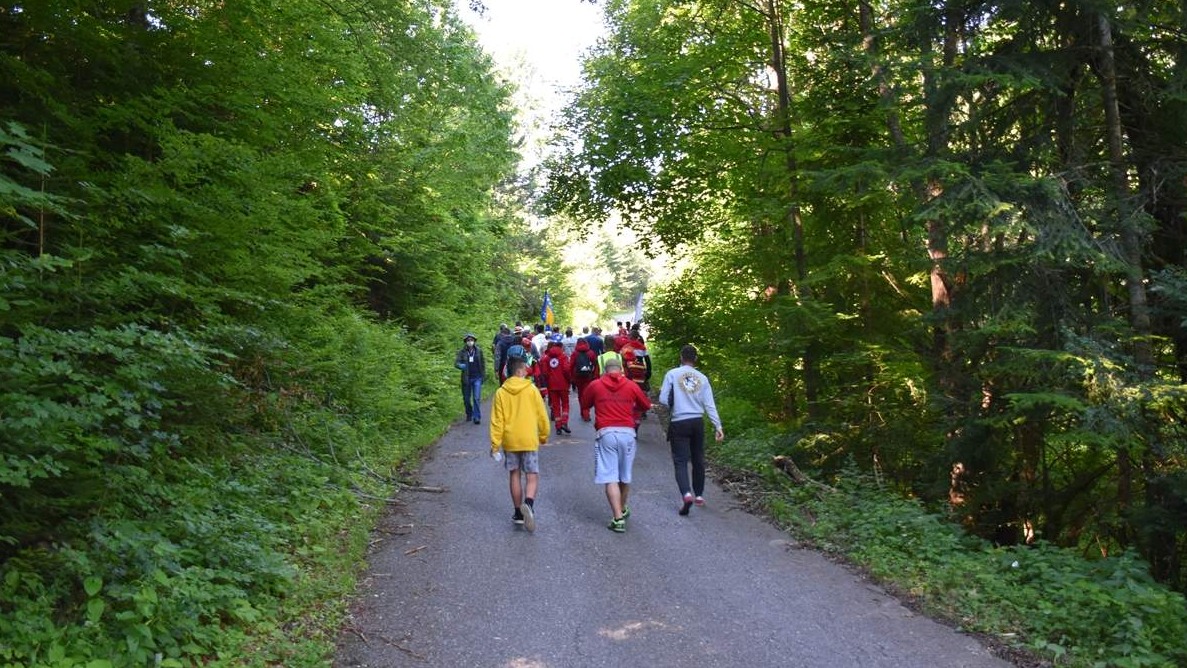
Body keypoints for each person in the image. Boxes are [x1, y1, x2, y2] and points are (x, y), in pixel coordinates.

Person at [580, 357, 652, 533]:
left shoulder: (596, 385)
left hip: (607, 433)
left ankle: (618, 518)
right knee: (625, 475)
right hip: (628, 433)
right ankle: (622, 507)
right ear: (621, 370)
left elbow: (584, 404)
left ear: (605, 370)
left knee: (610, 476)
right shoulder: (631, 385)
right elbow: (646, 405)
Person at [657, 344, 724, 516]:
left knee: (680, 461)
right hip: (697, 421)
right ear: (695, 359)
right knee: (698, 458)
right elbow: (709, 404)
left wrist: (674, 403)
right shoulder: (702, 378)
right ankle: (699, 495)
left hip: (679, 421)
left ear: (681, 357)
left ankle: (686, 494)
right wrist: (718, 426)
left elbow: (663, 399)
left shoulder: (672, 374)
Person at [490, 356, 551, 531]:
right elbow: (542, 415)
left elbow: (497, 421)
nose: (527, 371)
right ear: (520, 370)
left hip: (511, 441)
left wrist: (495, 444)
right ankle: (529, 504)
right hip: (529, 439)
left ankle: (518, 513)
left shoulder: (501, 392)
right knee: (532, 475)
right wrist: (544, 435)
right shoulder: (531, 390)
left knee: (514, 475)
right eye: (525, 369)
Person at [540, 340, 573, 434]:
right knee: (565, 404)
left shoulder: (547, 358)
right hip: (563, 385)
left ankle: (558, 427)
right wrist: (569, 380)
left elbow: (545, 373)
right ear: (561, 348)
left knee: (556, 405)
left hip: (552, 385)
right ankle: (564, 422)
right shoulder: (563, 357)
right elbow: (566, 370)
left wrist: (548, 381)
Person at [454, 333, 486, 424]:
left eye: (471, 340)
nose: (470, 342)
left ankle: (477, 417)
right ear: (465, 342)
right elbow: (456, 363)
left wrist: (483, 376)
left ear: (474, 341)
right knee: (466, 399)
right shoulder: (462, 352)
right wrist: (460, 365)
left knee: (476, 398)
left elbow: (483, 364)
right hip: (466, 379)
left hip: (477, 378)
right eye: (468, 340)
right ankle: (469, 413)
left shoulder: (479, 351)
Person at [570, 337, 599, 420]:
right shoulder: (591, 353)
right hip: (588, 377)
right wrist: (594, 375)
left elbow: (571, 366)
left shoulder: (575, 353)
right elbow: (595, 364)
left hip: (578, 377)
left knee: (580, 395)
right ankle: (586, 413)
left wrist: (571, 378)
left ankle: (583, 412)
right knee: (586, 395)